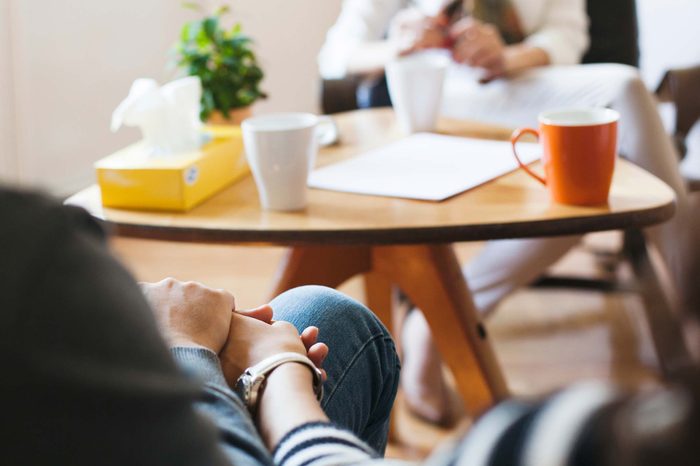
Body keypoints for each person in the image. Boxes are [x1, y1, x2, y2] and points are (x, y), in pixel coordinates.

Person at [4, 185, 700, 466]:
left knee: (323, 320)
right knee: (330, 316)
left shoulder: (592, 443)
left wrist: (196, 353)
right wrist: (276, 370)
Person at [319, 0, 700, 423]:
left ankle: (436, 322)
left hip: (523, 85)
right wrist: (398, 44)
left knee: (603, 137)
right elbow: (337, 54)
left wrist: (507, 56)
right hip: (436, 93)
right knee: (580, 180)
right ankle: (693, 305)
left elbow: (567, 38)